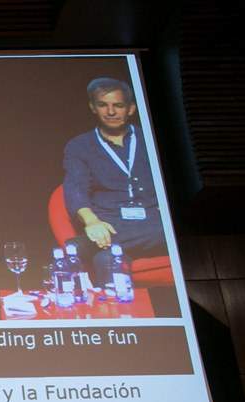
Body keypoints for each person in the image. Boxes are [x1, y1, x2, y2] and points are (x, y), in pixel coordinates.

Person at [62, 77, 167, 285]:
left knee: (166, 227)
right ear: (93, 107)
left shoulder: (151, 139)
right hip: (110, 224)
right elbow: (75, 186)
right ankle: (115, 307)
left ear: (131, 109)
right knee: (105, 259)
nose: (110, 112)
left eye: (118, 105)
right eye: (103, 105)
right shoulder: (79, 146)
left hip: (155, 222)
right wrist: (91, 221)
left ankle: (82, 246)